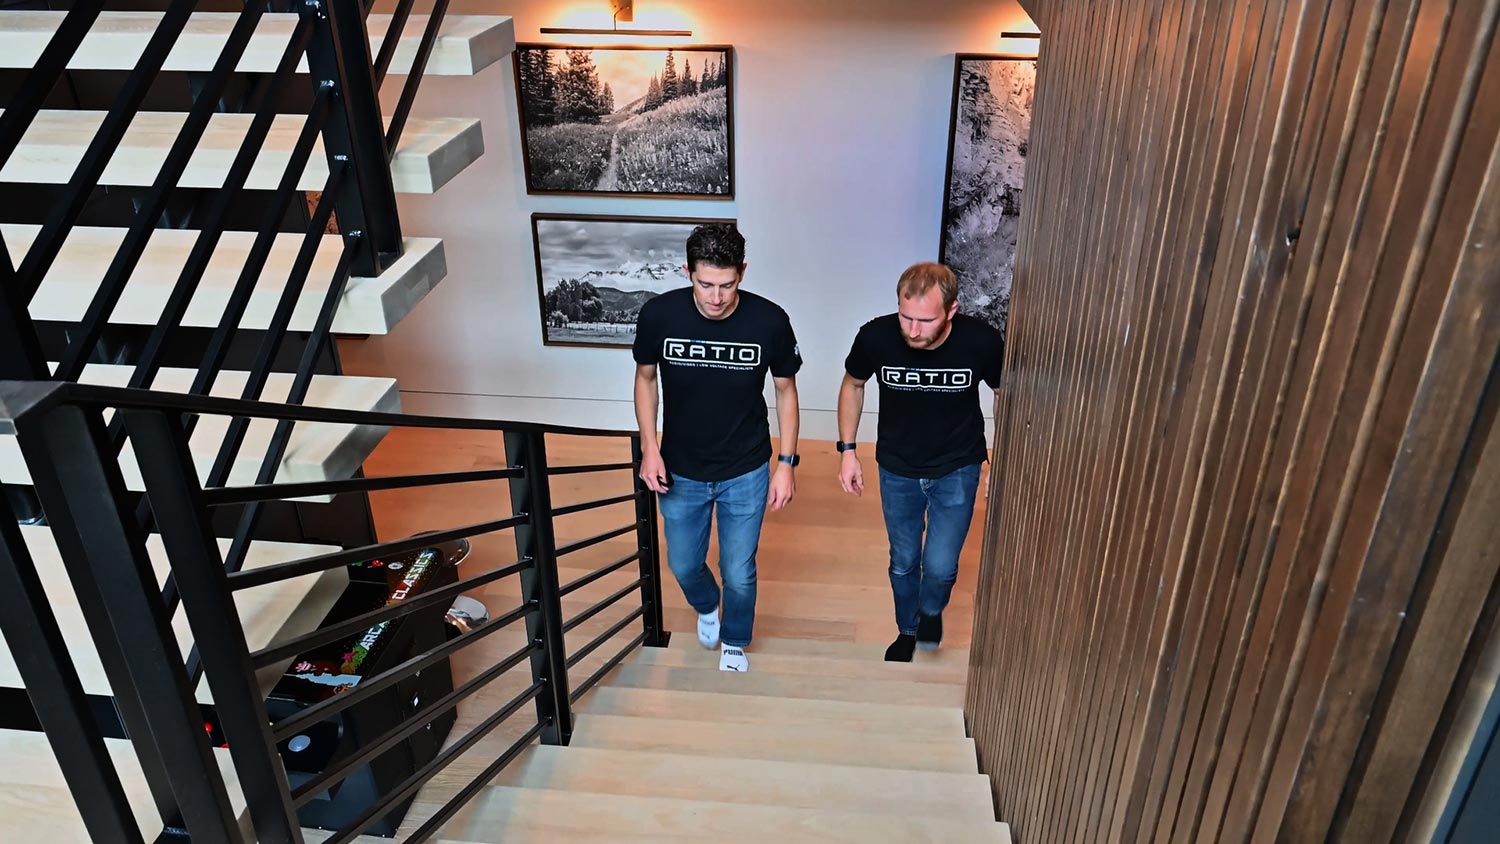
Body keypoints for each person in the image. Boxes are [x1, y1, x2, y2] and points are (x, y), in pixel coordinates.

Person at [633, 223, 802, 672]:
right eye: (705, 284)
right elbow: (646, 379)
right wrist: (650, 447)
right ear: (687, 271)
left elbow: (786, 390)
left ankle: (734, 638)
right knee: (685, 564)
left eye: (727, 285)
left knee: (739, 570)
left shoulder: (770, 321)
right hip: (681, 467)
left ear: (742, 273)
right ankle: (707, 605)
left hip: (746, 467)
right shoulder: (658, 316)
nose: (716, 297)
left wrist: (786, 462)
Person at [836, 262, 1004, 662]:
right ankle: (908, 629)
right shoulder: (875, 336)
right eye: (905, 316)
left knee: (942, 566)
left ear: (952, 310)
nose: (912, 330)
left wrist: (1001, 460)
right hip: (897, 467)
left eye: (925, 321)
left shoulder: (980, 342)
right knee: (904, 561)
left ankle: (931, 611)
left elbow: (1004, 394)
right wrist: (847, 451)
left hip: (958, 465)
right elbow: (853, 384)